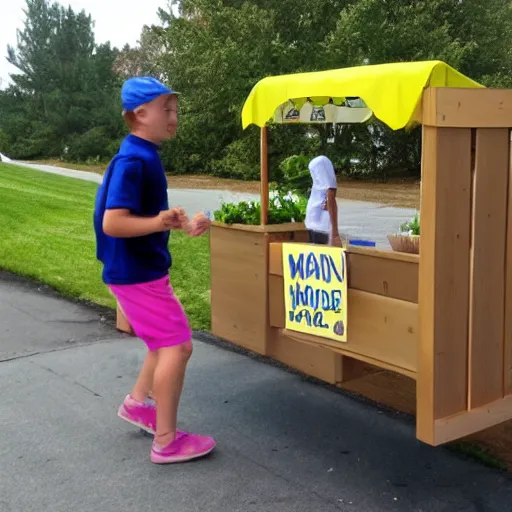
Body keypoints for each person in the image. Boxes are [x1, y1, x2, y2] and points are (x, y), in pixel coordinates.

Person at [93, 76, 215, 464]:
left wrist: (178, 223)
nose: (175, 115)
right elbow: (114, 222)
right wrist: (160, 222)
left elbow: (144, 217)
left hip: (138, 271)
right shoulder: (133, 160)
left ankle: (137, 405)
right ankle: (165, 440)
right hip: (136, 274)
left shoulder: (142, 153)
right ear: (141, 114)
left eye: (176, 108)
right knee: (177, 346)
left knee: (159, 343)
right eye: (167, 108)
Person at [304, 155, 342, 246]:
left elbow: (331, 197)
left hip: (317, 224)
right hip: (318, 225)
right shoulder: (327, 189)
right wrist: (335, 233)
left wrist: (335, 234)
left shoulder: (325, 189)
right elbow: (331, 197)